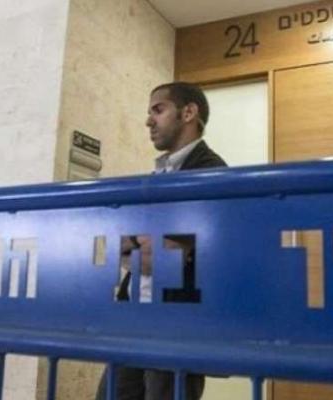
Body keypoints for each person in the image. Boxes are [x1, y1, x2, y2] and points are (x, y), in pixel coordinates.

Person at [95, 82, 227, 400]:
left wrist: (140, 247)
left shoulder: (212, 172)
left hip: (176, 324)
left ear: (188, 112)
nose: (148, 121)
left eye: (158, 110)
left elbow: (166, 256)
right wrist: (139, 246)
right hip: (134, 317)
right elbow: (121, 245)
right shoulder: (157, 176)